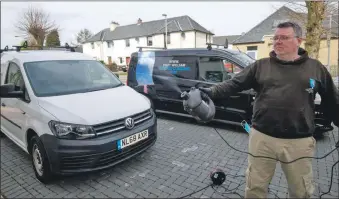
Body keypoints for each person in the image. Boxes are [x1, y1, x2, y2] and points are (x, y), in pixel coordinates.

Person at [199, 21, 339, 198]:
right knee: (255, 186)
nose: (278, 41)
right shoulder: (261, 66)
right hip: (262, 138)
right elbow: (234, 84)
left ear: (299, 40)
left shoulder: (315, 68)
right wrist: (210, 91)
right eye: (276, 38)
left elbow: (333, 100)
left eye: (284, 37)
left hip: (299, 141)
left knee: (300, 190)